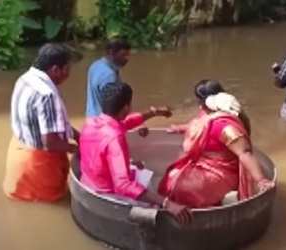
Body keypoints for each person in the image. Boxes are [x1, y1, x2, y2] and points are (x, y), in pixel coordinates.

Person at [79, 82, 192, 224]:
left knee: (138, 168)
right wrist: (167, 203)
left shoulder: (90, 123)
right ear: (126, 107)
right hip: (106, 196)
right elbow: (123, 185)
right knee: (157, 205)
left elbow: (127, 122)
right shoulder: (115, 137)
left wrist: (154, 112)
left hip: (87, 185)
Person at [159, 80, 274, 208]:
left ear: (208, 103)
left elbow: (244, 153)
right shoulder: (209, 115)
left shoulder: (225, 127)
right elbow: (199, 126)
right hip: (207, 162)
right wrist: (179, 128)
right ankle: (206, 203)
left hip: (224, 169)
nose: (199, 107)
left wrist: (261, 180)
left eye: (200, 102)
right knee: (173, 176)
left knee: (184, 188)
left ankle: (199, 210)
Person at [3, 43, 79, 202]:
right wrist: (76, 149)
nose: (69, 74)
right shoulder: (47, 94)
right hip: (39, 164)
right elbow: (50, 142)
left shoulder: (25, 79)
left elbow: (48, 123)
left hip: (18, 153)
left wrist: (77, 135)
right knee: (54, 205)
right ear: (56, 70)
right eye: (67, 69)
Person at [85, 39, 131, 117]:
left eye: (128, 55)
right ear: (111, 53)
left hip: (91, 117)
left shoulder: (95, 65)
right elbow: (111, 106)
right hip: (103, 122)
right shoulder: (109, 75)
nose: (127, 59)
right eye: (123, 55)